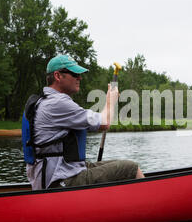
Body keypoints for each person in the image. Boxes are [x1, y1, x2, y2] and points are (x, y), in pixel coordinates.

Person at [26, 54, 144, 190]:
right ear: (58, 76)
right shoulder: (57, 103)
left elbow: (93, 122)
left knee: (117, 165)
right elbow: (104, 122)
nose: (79, 78)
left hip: (62, 173)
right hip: (60, 181)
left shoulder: (45, 101)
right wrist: (111, 100)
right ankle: (150, 204)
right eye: (74, 74)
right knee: (131, 169)